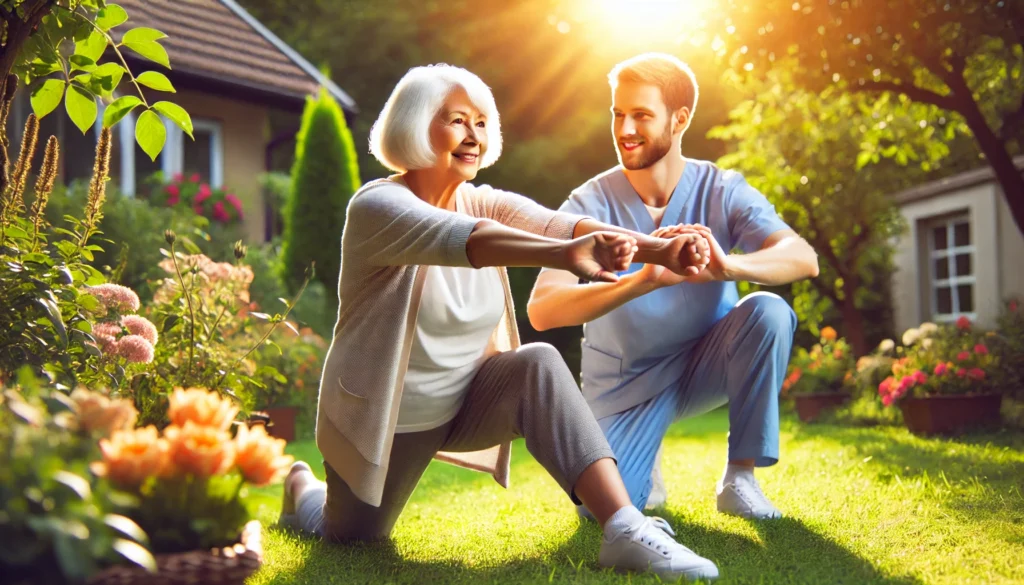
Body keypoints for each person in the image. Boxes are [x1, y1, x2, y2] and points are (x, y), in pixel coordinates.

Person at [278, 64, 722, 582]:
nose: (474, 134)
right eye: (457, 120)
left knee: (538, 362)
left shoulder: (482, 198)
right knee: (350, 535)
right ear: (416, 124)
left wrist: (658, 249)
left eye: (482, 122)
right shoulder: (378, 206)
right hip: (391, 419)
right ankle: (301, 489)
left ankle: (624, 527)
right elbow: (472, 240)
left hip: (470, 399)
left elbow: (562, 224)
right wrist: (564, 255)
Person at [528, 53, 819, 521]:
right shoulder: (587, 203)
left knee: (768, 311)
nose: (624, 128)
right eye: (618, 114)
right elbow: (542, 309)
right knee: (602, 510)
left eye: (641, 115)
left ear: (680, 118)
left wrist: (729, 267)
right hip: (627, 386)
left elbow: (802, 258)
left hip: (705, 361)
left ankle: (739, 479)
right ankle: (643, 463)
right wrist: (642, 280)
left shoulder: (722, 188)